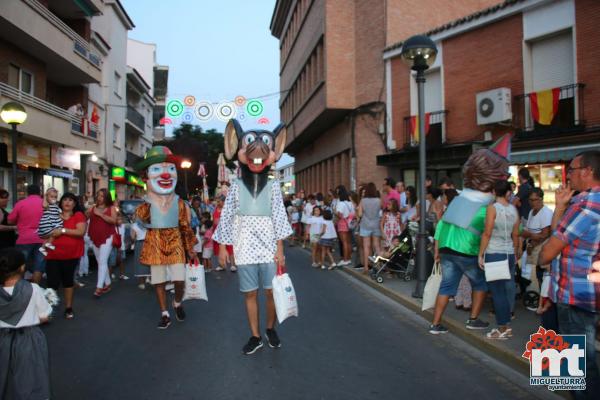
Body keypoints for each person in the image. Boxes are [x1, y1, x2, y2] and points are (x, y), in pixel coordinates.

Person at [214, 120, 292, 355]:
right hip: (244, 245)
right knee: (250, 293)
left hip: (269, 246)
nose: (257, 156)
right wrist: (223, 248)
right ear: (237, 152)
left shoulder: (274, 185)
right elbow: (226, 216)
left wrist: (280, 249)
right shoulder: (236, 185)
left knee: (270, 291)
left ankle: (270, 328)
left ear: (273, 154)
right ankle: (255, 335)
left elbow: (279, 216)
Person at [429, 134, 511, 334]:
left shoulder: (458, 199)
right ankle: (473, 319)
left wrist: (437, 249)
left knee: (447, 286)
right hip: (468, 250)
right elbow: (489, 233)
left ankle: (435, 324)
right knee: (480, 283)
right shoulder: (488, 204)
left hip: (447, 248)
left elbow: (443, 224)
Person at [539, 150, 600, 398]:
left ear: (588, 172)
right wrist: (561, 207)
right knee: (573, 356)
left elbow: (549, 250)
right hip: (581, 291)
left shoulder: (585, 207)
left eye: (572, 170)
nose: (568, 175)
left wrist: (544, 255)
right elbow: (561, 235)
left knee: (580, 364)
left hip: (574, 294)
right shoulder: (580, 205)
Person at [135, 146, 198, 329]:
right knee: (159, 281)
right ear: (147, 176)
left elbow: (185, 226)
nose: (165, 175)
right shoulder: (145, 204)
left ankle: (177, 302)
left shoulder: (180, 203)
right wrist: (148, 196)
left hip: (175, 241)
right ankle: (164, 313)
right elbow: (140, 218)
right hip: (155, 242)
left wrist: (191, 247)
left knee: (180, 279)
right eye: (157, 169)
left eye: (170, 169)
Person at [0, 248, 52, 399]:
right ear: (22, 268)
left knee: (4, 376)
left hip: (2, 339)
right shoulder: (33, 289)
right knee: (30, 379)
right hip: (29, 339)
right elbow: (44, 317)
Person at [478, 180, 520, 339]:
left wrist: (480, 254)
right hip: (509, 252)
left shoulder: (492, 208)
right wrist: (515, 253)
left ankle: (503, 328)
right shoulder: (513, 209)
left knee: (498, 293)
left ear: (495, 192)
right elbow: (516, 234)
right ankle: (505, 325)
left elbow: (487, 233)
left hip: (495, 253)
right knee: (503, 290)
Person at [44, 193, 86, 319]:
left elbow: (80, 232)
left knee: (68, 281)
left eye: (70, 200)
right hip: (53, 253)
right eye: (65, 200)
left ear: (74, 203)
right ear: (61, 202)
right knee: (52, 283)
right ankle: (48, 309)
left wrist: (62, 230)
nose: (67, 202)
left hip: (70, 254)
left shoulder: (78, 215)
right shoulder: (53, 215)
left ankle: (68, 307)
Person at [521, 188, 554, 323]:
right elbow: (529, 230)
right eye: (530, 200)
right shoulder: (531, 212)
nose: (531, 202)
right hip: (533, 246)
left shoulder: (546, 213)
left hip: (542, 248)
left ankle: (545, 303)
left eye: (534, 200)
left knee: (543, 276)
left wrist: (531, 239)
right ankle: (540, 300)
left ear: (541, 199)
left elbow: (545, 234)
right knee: (537, 274)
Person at [8, 184, 45, 284]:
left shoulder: (21, 203)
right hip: (43, 239)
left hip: (24, 238)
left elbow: (10, 220)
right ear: (39, 192)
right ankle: (35, 288)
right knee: (39, 264)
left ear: (28, 192)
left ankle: (20, 288)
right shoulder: (45, 204)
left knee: (20, 263)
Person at [87, 188, 118, 297]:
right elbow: (86, 217)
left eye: (102, 196)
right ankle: (108, 283)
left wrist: (100, 215)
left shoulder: (111, 208)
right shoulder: (93, 208)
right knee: (100, 261)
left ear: (106, 198)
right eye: (98, 195)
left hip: (107, 236)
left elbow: (113, 221)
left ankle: (99, 287)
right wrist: (88, 211)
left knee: (102, 260)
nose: (99, 198)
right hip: (94, 236)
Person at [358, 183, 382, 274]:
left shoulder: (363, 201)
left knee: (366, 246)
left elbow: (360, 214)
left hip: (365, 225)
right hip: (376, 224)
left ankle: (366, 267)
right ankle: (380, 265)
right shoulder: (379, 200)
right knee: (377, 246)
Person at [212, 195, 235, 272]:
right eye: (217, 201)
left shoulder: (227, 209)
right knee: (219, 249)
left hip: (226, 231)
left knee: (230, 248)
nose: (218, 203)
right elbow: (213, 220)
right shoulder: (215, 209)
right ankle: (221, 265)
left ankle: (232, 265)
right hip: (217, 231)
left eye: (219, 201)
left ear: (224, 201)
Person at [37, 188, 63, 256]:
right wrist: (45, 197)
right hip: (47, 224)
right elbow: (44, 205)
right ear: (46, 196)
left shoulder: (55, 206)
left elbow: (60, 215)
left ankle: (43, 248)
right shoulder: (47, 205)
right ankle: (48, 244)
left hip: (52, 224)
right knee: (55, 233)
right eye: (51, 196)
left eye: (55, 197)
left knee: (50, 236)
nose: (53, 198)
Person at [335, 185, 354, 266]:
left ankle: (345, 259)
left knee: (344, 242)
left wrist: (335, 212)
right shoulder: (350, 203)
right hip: (349, 222)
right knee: (349, 242)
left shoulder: (340, 203)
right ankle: (349, 258)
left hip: (342, 223)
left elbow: (339, 215)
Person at [131, 219, 150, 289]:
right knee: (151, 262)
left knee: (140, 263)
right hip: (149, 243)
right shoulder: (149, 223)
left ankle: (142, 283)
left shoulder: (135, 225)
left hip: (140, 244)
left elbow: (132, 237)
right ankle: (150, 279)